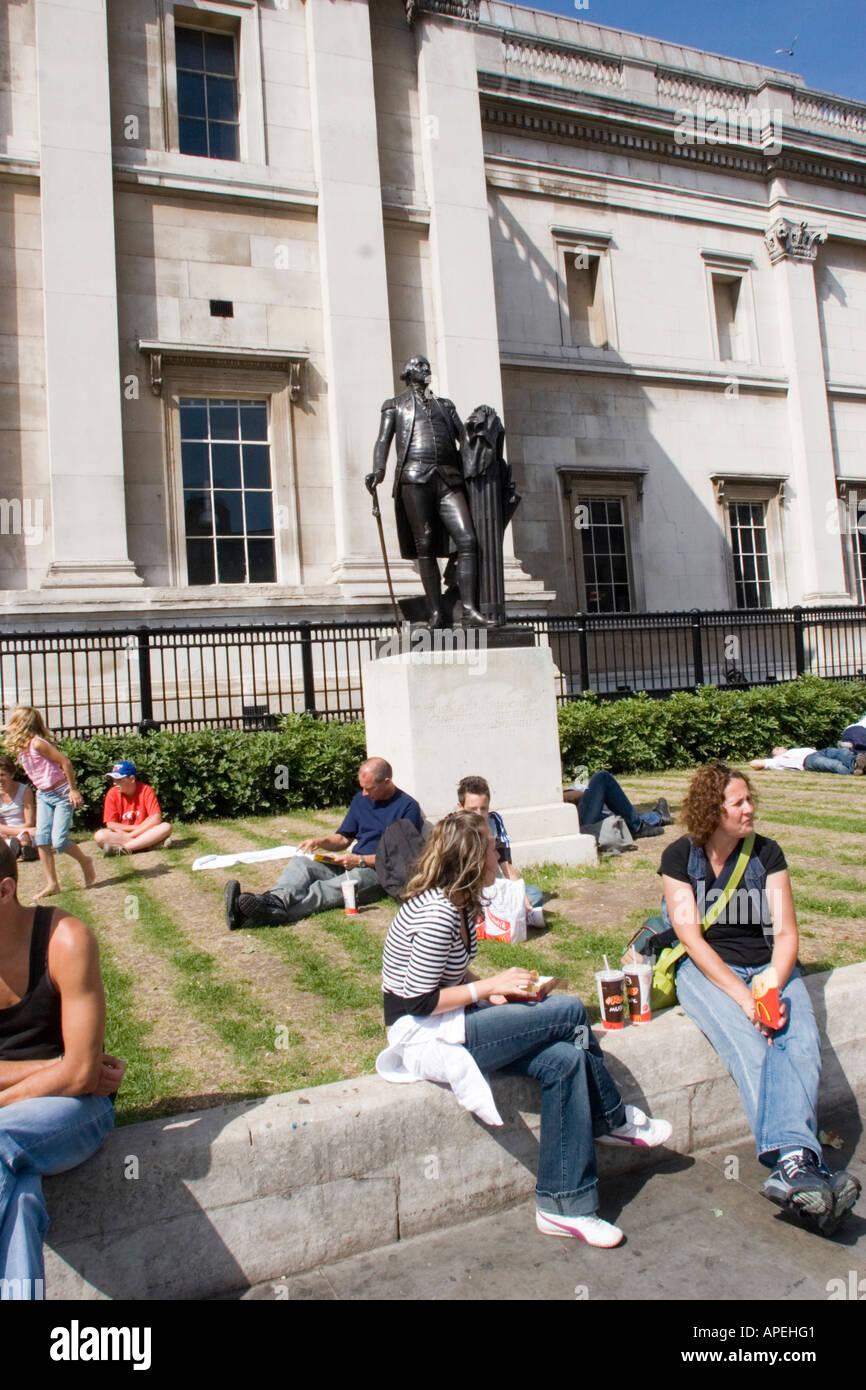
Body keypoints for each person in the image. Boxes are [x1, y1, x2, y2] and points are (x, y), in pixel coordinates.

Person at [380, 811, 672, 1247]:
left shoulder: (461, 904)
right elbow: (414, 1001)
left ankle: (562, 1206)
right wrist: (489, 986)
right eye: (492, 846)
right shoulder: (437, 913)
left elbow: (449, 981)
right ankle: (611, 1118)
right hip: (426, 1036)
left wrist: (494, 995)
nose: (500, 851)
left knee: (567, 1061)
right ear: (473, 856)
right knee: (571, 1011)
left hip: (453, 1021)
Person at [659, 761, 860, 1235]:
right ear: (714, 810)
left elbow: (788, 932)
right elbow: (690, 938)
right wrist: (743, 997)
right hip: (708, 970)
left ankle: (796, 1174)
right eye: (739, 802)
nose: (750, 809)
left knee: (801, 1044)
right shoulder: (678, 858)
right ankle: (801, 1162)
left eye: (750, 799)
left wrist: (772, 977)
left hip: (769, 966)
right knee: (751, 1048)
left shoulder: (767, 854)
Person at [0, 838, 125, 1299]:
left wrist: (70, 1070)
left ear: (5, 890)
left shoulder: (65, 940)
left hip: (75, 1108)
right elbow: (72, 1066)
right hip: (48, 1094)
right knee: (22, 1196)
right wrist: (57, 1065)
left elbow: (79, 1079)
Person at [366, 354, 493, 628]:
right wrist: (378, 471)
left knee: (468, 540)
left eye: (426, 365)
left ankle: (470, 611)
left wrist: (483, 426)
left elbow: (465, 438)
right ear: (408, 374)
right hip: (414, 477)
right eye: (419, 366)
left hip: (448, 478)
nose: (425, 369)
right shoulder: (395, 405)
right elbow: (382, 441)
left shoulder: (445, 405)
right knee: (425, 545)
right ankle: (436, 612)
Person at [225, 758, 423, 929]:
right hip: (349, 862)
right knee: (301, 864)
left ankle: (255, 913)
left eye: (368, 788)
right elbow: (343, 838)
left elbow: (400, 858)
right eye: (361, 787)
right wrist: (320, 841)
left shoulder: (408, 807)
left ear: (386, 781)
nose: (363, 793)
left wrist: (360, 860)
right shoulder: (361, 800)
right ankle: (274, 900)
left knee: (325, 888)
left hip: (377, 872)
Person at [1, 707, 95, 901]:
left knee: (59, 840)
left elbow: (65, 762)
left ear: (22, 725)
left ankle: (85, 861)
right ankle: (52, 884)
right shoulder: (22, 748)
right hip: (44, 795)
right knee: (43, 839)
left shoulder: (37, 744)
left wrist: (73, 789)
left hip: (61, 793)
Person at [456, 775, 544, 920]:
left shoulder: (494, 821)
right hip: (465, 892)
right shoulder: (451, 828)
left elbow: (506, 865)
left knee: (533, 893)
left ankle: (496, 913)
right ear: (460, 808)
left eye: (483, 809)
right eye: (472, 810)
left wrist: (520, 897)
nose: (479, 815)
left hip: (493, 890)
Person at [93, 761, 173, 856]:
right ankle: (148, 844)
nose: (114, 783)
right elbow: (111, 824)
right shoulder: (112, 793)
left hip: (145, 832)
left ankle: (124, 849)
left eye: (119, 779)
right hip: (124, 834)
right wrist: (134, 830)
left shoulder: (146, 790)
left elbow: (156, 819)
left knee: (166, 827)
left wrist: (131, 834)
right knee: (99, 836)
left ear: (132, 778)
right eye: (113, 779)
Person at [564, 769, 671, 839]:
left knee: (613, 818)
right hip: (578, 825)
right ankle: (639, 826)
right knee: (602, 778)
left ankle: (657, 816)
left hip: (573, 821)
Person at [0, 755, 37, 861]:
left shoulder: (24, 791)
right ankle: (20, 847)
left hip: (24, 829)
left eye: (2, 775)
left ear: (12, 774)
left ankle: (21, 848)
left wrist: (22, 832)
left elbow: (29, 822)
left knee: (29, 835)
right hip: (7, 834)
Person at [750, 746, 866, 775]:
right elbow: (754, 764)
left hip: (818, 752)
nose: (781, 748)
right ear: (774, 755)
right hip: (807, 761)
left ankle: (858, 764)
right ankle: (857, 765)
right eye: (777, 749)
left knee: (841, 752)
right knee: (833, 765)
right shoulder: (777, 761)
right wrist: (766, 761)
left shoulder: (792, 750)